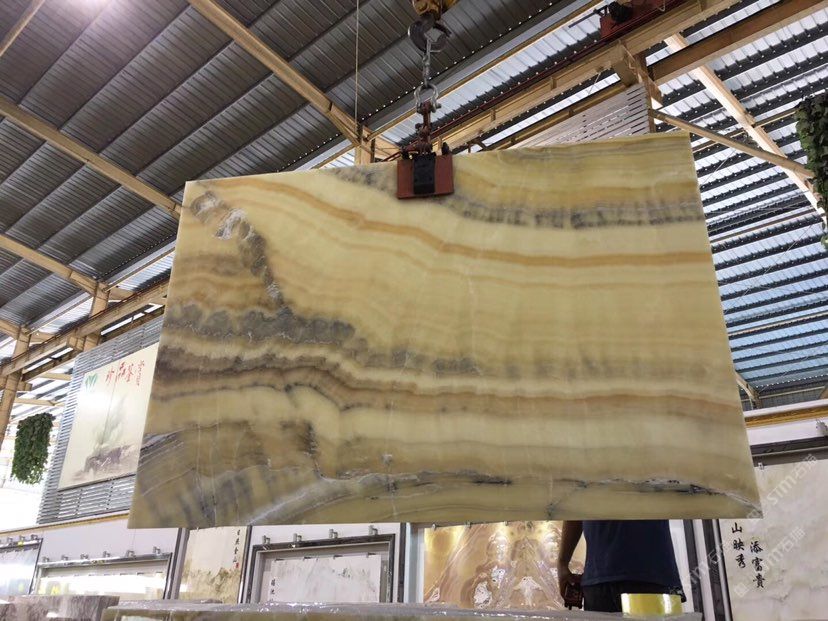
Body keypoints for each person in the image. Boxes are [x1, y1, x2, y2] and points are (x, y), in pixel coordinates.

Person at [556, 520, 684, 613]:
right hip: (651, 573)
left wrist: (562, 562)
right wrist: (562, 563)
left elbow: (574, 508)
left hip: (601, 578)